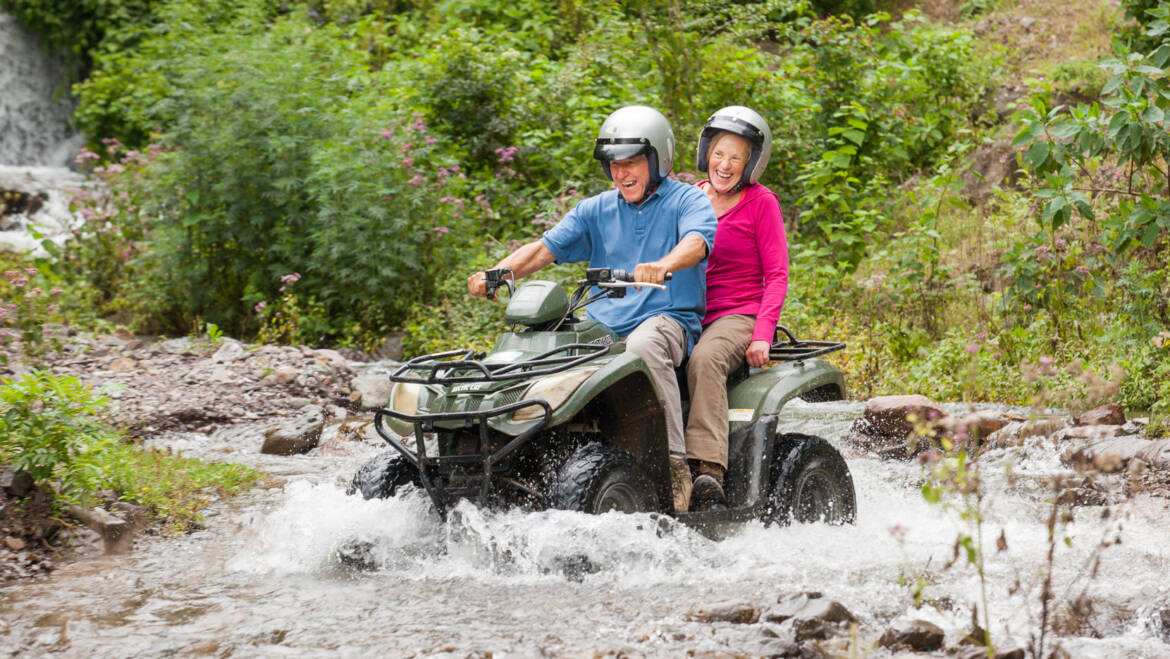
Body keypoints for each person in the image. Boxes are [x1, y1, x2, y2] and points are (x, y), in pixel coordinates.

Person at [467, 105, 717, 512]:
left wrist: (664, 264)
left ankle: (674, 468)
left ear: (658, 158)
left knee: (644, 346)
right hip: (602, 325)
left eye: (632, 162)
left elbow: (697, 242)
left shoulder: (688, 200)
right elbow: (544, 249)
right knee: (543, 354)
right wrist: (496, 271)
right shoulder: (595, 209)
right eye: (614, 165)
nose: (622, 173)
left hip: (668, 319)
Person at [683, 106, 789, 510]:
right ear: (706, 152)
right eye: (719, 153)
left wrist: (763, 334)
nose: (724, 165)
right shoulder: (690, 197)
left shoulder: (762, 203)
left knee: (705, 359)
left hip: (737, 314)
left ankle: (708, 470)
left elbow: (777, 274)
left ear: (751, 164)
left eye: (736, 158)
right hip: (688, 312)